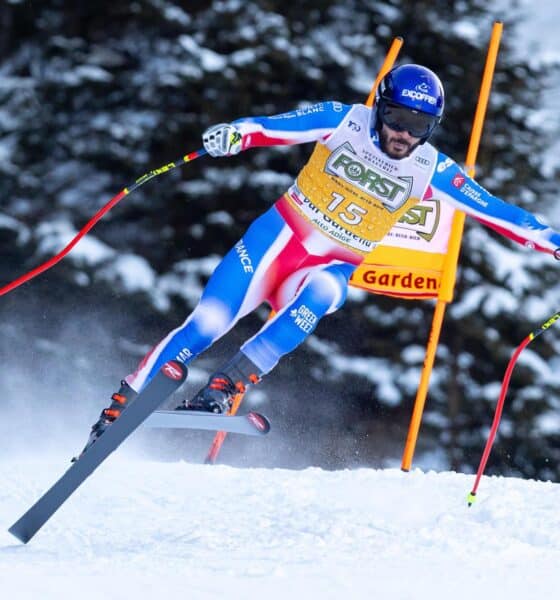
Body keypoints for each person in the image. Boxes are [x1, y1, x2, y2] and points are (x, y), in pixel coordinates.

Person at [79, 63, 560, 453]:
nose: (403, 135)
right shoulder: (342, 119)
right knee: (207, 322)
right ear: (379, 108)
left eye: (418, 127)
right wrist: (235, 134)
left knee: (329, 292)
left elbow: (502, 213)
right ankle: (123, 404)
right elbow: (272, 127)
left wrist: (552, 240)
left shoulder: (431, 168)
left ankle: (222, 389)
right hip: (275, 243)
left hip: (322, 269)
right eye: (396, 118)